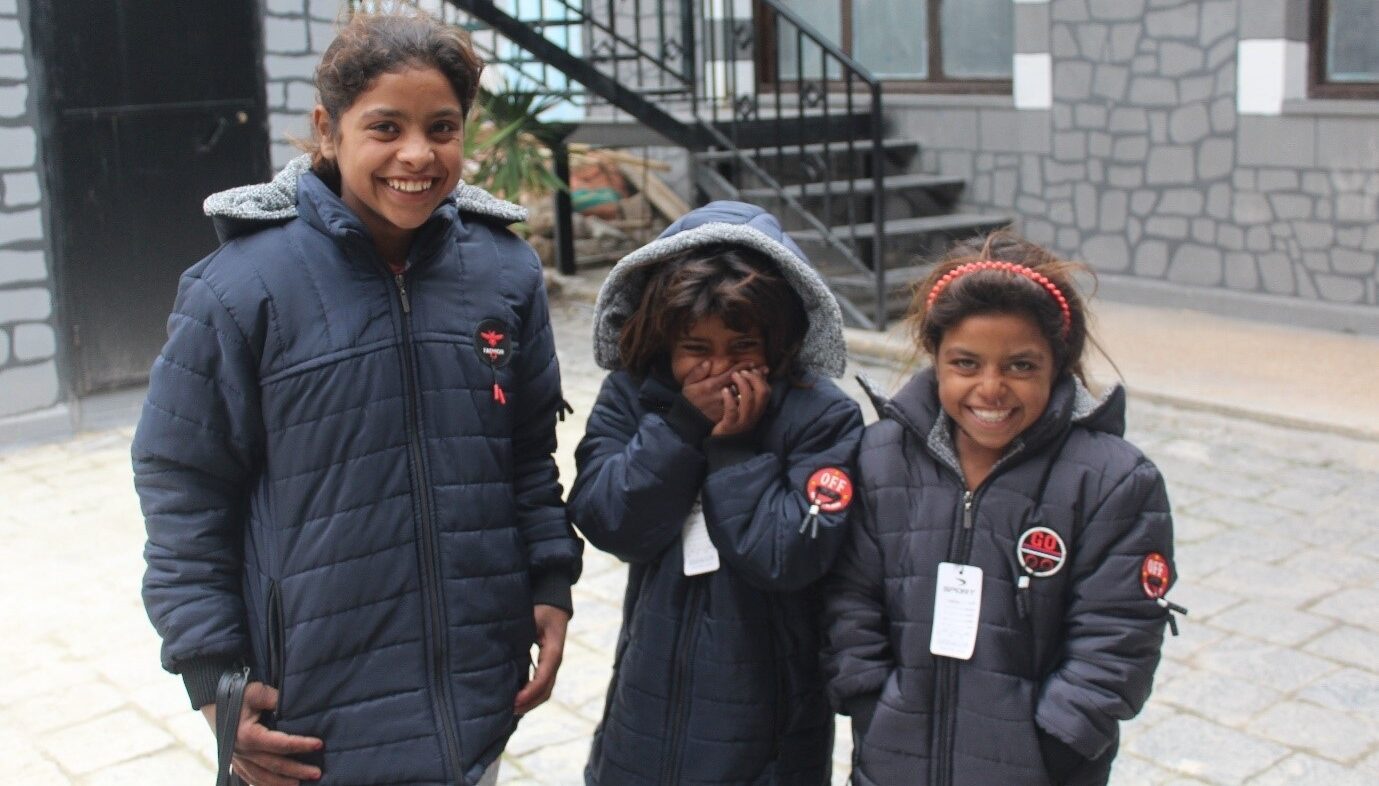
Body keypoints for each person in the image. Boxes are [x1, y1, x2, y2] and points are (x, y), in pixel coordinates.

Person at [133, 10, 581, 786]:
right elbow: (184, 487)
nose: (417, 154)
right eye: (385, 127)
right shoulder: (240, 291)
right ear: (327, 128)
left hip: (472, 697)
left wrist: (547, 579)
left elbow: (526, 451)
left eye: (442, 127)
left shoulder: (504, 276)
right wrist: (212, 678)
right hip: (312, 720)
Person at [824, 231, 1183, 786]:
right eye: (966, 363)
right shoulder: (879, 459)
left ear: (1057, 364)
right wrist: (872, 703)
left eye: (1020, 366)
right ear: (936, 357)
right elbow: (851, 599)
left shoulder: (1114, 482)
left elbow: (1118, 638)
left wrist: (1051, 746)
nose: (991, 389)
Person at [570, 202, 865, 785]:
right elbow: (609, 520)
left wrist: (733, 450)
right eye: (697, 350)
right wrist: (680, 429)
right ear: (664, 339)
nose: (720, 370)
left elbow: (787, 555)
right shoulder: (635, 397)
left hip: (770, 726)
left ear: (778, 339)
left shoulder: (823, 418)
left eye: (742, 348)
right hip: (646, 707)